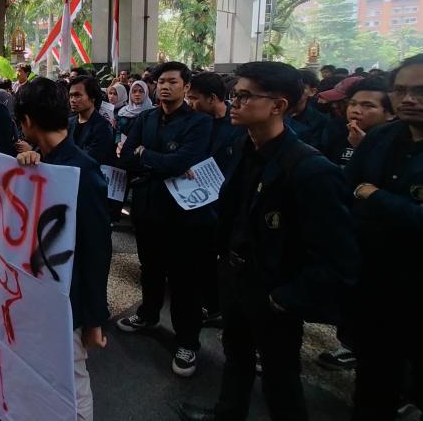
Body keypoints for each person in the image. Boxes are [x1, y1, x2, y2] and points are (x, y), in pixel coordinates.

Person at [177, 61, 358, 421]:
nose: (235, 103)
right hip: (236, 277)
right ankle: (227, 414)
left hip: (275, 291)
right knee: (237, 354)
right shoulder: (245, 149)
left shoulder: (310, 169)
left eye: (245, 96)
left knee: (280, 377)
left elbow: (340, 257)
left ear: (279, 105)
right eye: (235, 95)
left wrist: (284, 298)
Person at [14, 77, 111, 421]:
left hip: (69, 302)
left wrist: (94, 318)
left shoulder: (82, 171)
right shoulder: (39, 164)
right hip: (40, 293)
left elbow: (99, 250)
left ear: (26, 122)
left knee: (72, 376)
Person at [117, 62, 213, 377]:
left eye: (173, 81)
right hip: (146, 210)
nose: (165, 87)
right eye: (161, 82)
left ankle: (187, 342)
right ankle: (148, 314)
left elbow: (183, 162)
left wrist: (148, 157)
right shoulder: (144, 118)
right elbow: (128, 157)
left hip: (181, 215)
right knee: (151, 268)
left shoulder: (199, 123)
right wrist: (156, 161)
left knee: (185, 280)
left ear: (187, 87)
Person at [345, 54, 423, 420]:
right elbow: (350, 186)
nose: (409, 99)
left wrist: (375, 196)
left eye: (420, 91)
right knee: (375, 369)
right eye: (401, 90)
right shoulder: (381, 138)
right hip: (374, 273)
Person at [316, 77, 394, 373]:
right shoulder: (339, 133)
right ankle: (351, 345)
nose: (356, 111)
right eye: (353, 104)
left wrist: (364, 151)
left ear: (390, 111)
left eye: (367, 105)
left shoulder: (395, 146)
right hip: (351, 230)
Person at [187, 72, 246, 326]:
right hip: (199, 201)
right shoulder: (196, 122)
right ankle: (210, 303)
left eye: (194, 98)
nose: (190, 104)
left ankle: (223, 307)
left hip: (226, 205)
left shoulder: (237, 126)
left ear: (212, 98)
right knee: (202, 260)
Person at [68, 76, 114, 165]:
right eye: (71, 96)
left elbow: (89, 159)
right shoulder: (69, 123)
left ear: (92, 97)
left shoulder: (103, 128)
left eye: (77, 95)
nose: (72, 100)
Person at [286, 69, 329, 151]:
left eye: (300, 87)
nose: (293, 91)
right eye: (289, 86)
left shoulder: (320, 121)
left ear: (312, 91)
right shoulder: (273, 113)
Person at [114, 80, 151, 149]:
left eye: (141, 91)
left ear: (146, 93)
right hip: (123, 148)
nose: (137, 94)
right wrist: (118, 143)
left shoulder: (151, 112)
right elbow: (119, 130)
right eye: (134, 91)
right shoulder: (123, 111)